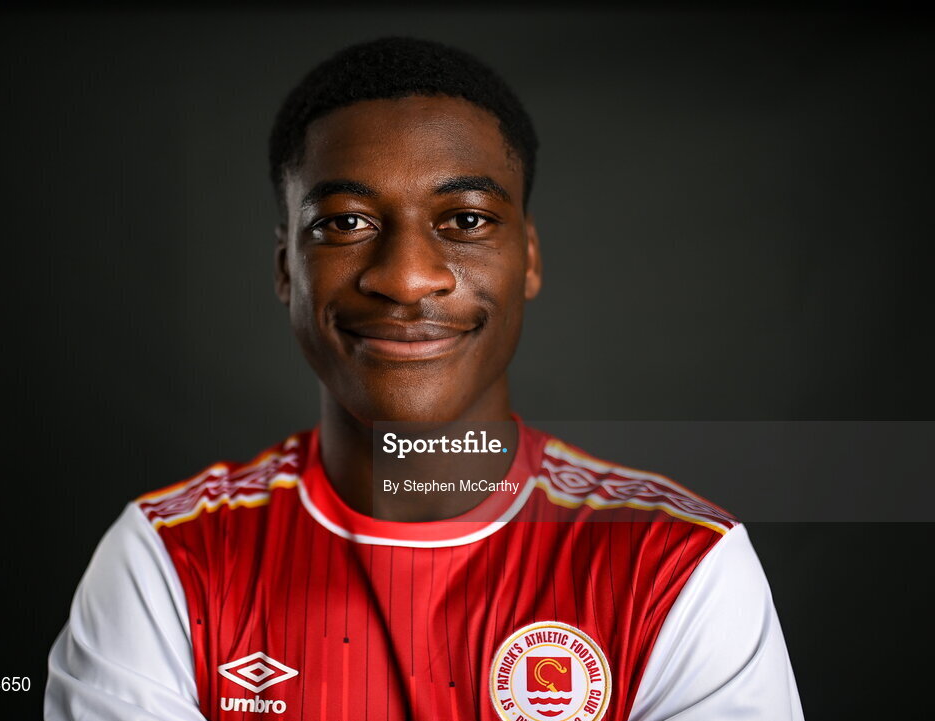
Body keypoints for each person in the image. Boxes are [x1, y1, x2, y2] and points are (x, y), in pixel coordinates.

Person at [45, 37, 803, 721]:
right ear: (286, 267)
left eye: (466, 219)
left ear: (528, 258)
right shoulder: (167, 562)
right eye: (344, 222)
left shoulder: (679, 565)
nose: (407, 277)